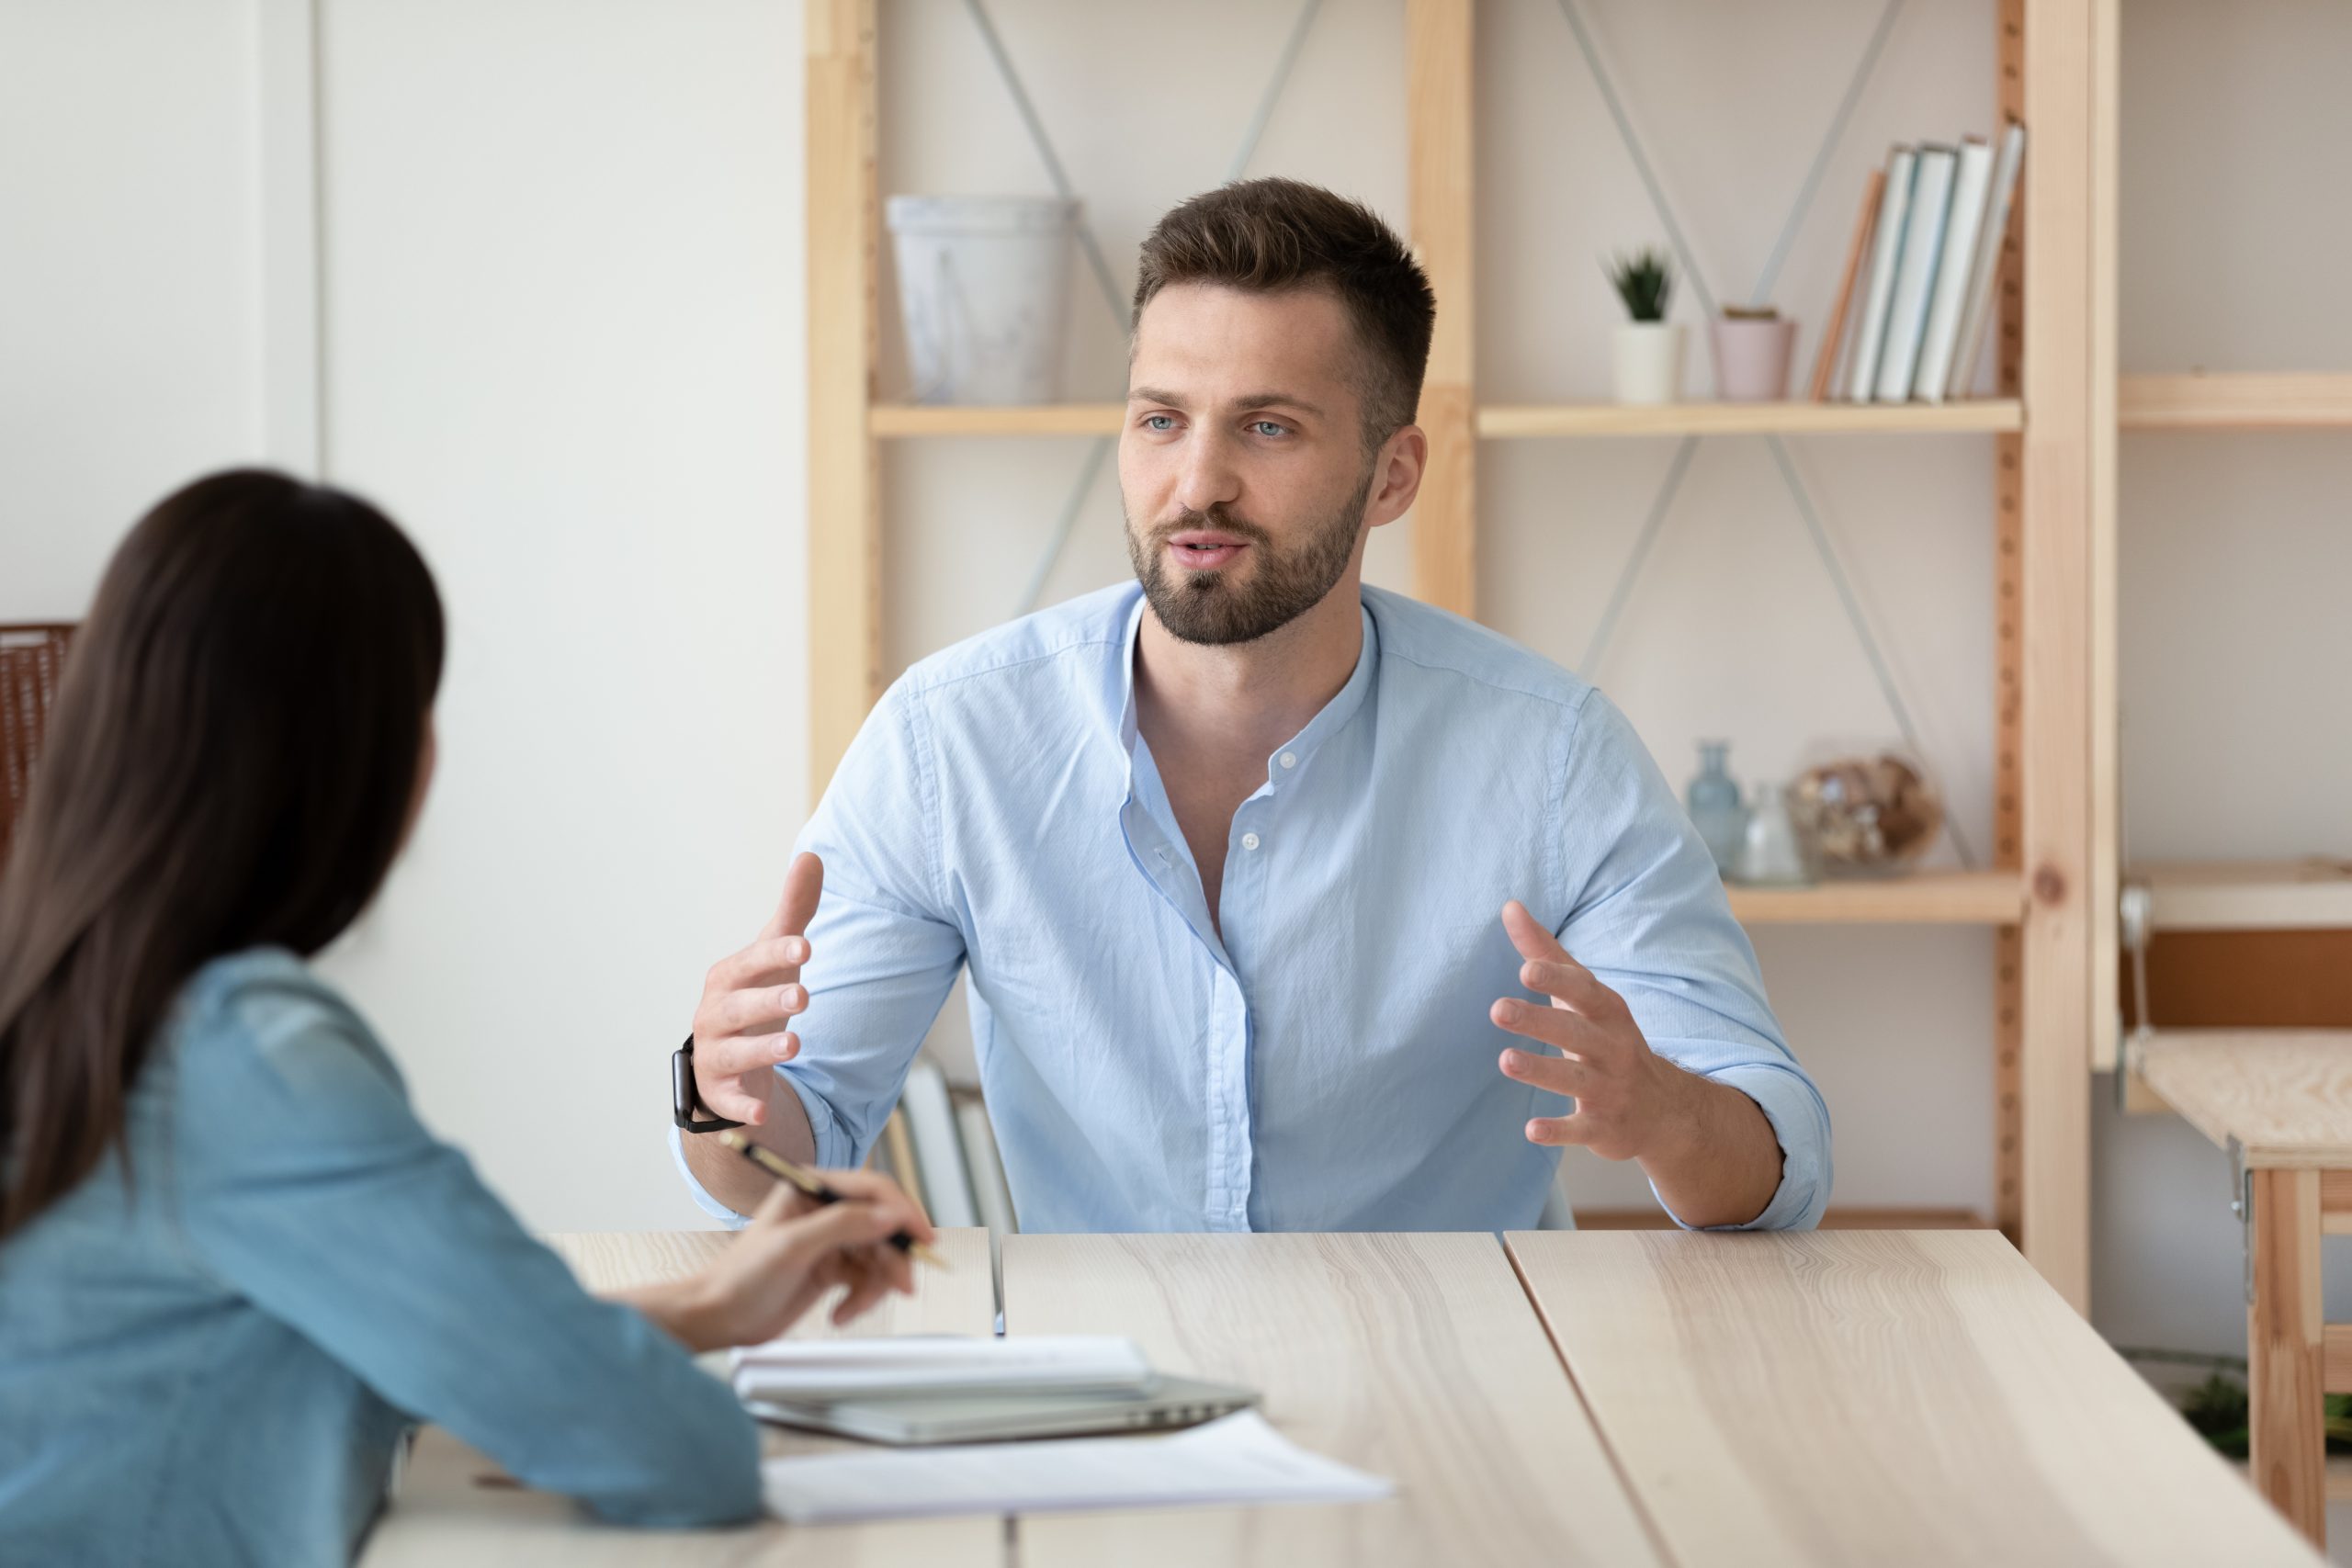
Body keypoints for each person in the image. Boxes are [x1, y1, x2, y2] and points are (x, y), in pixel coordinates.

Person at [677, 177, 1830, 1235]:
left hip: (1464, 1396)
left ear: (1392, 475)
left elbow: (1781, 1163)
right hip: (1103, 1396)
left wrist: (1667, 1117)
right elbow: (792, 1143)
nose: (1196, 483)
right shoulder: (950, 743)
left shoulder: (1551, 756)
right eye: (1161, 419)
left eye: (1268, 427)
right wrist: (719, 1098)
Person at [0, 470, 933, 1566]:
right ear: (368, 758)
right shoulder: (248, 1060)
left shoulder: (75, 1002)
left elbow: (424, 1348)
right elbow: (682, 1458)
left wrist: (712, 1304)